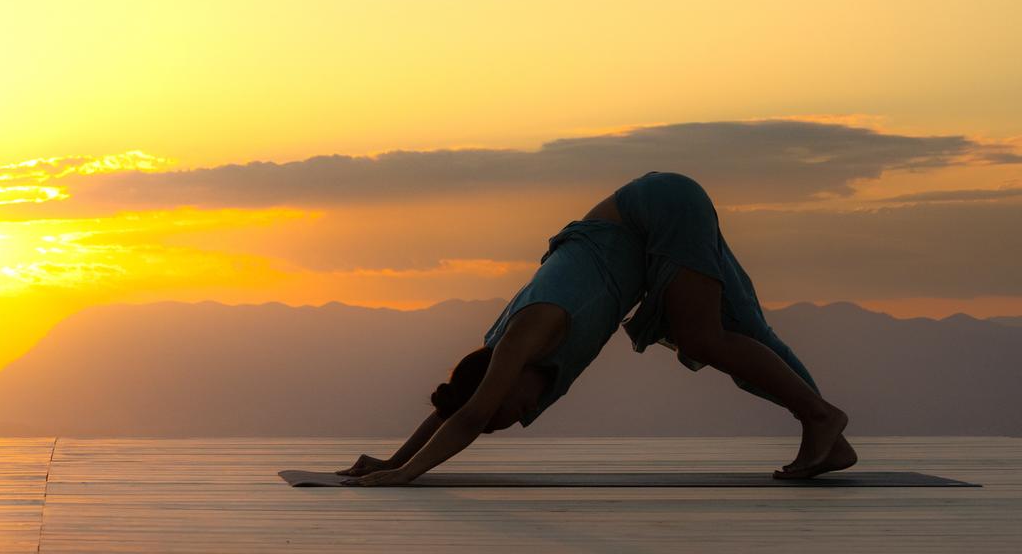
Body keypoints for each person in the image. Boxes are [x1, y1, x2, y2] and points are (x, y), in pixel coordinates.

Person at [337, 171, 854, 485]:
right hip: (656, 215)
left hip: (658, 206)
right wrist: (392, 458)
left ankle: (820, 416)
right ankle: (828, 437)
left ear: (499, 384)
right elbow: (461, 403)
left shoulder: (527, 332)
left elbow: (470, 413)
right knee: (744, 331)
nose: (518, 419)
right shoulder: (503, 358)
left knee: (701, 337)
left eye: (506, 414)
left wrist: (407, 473)